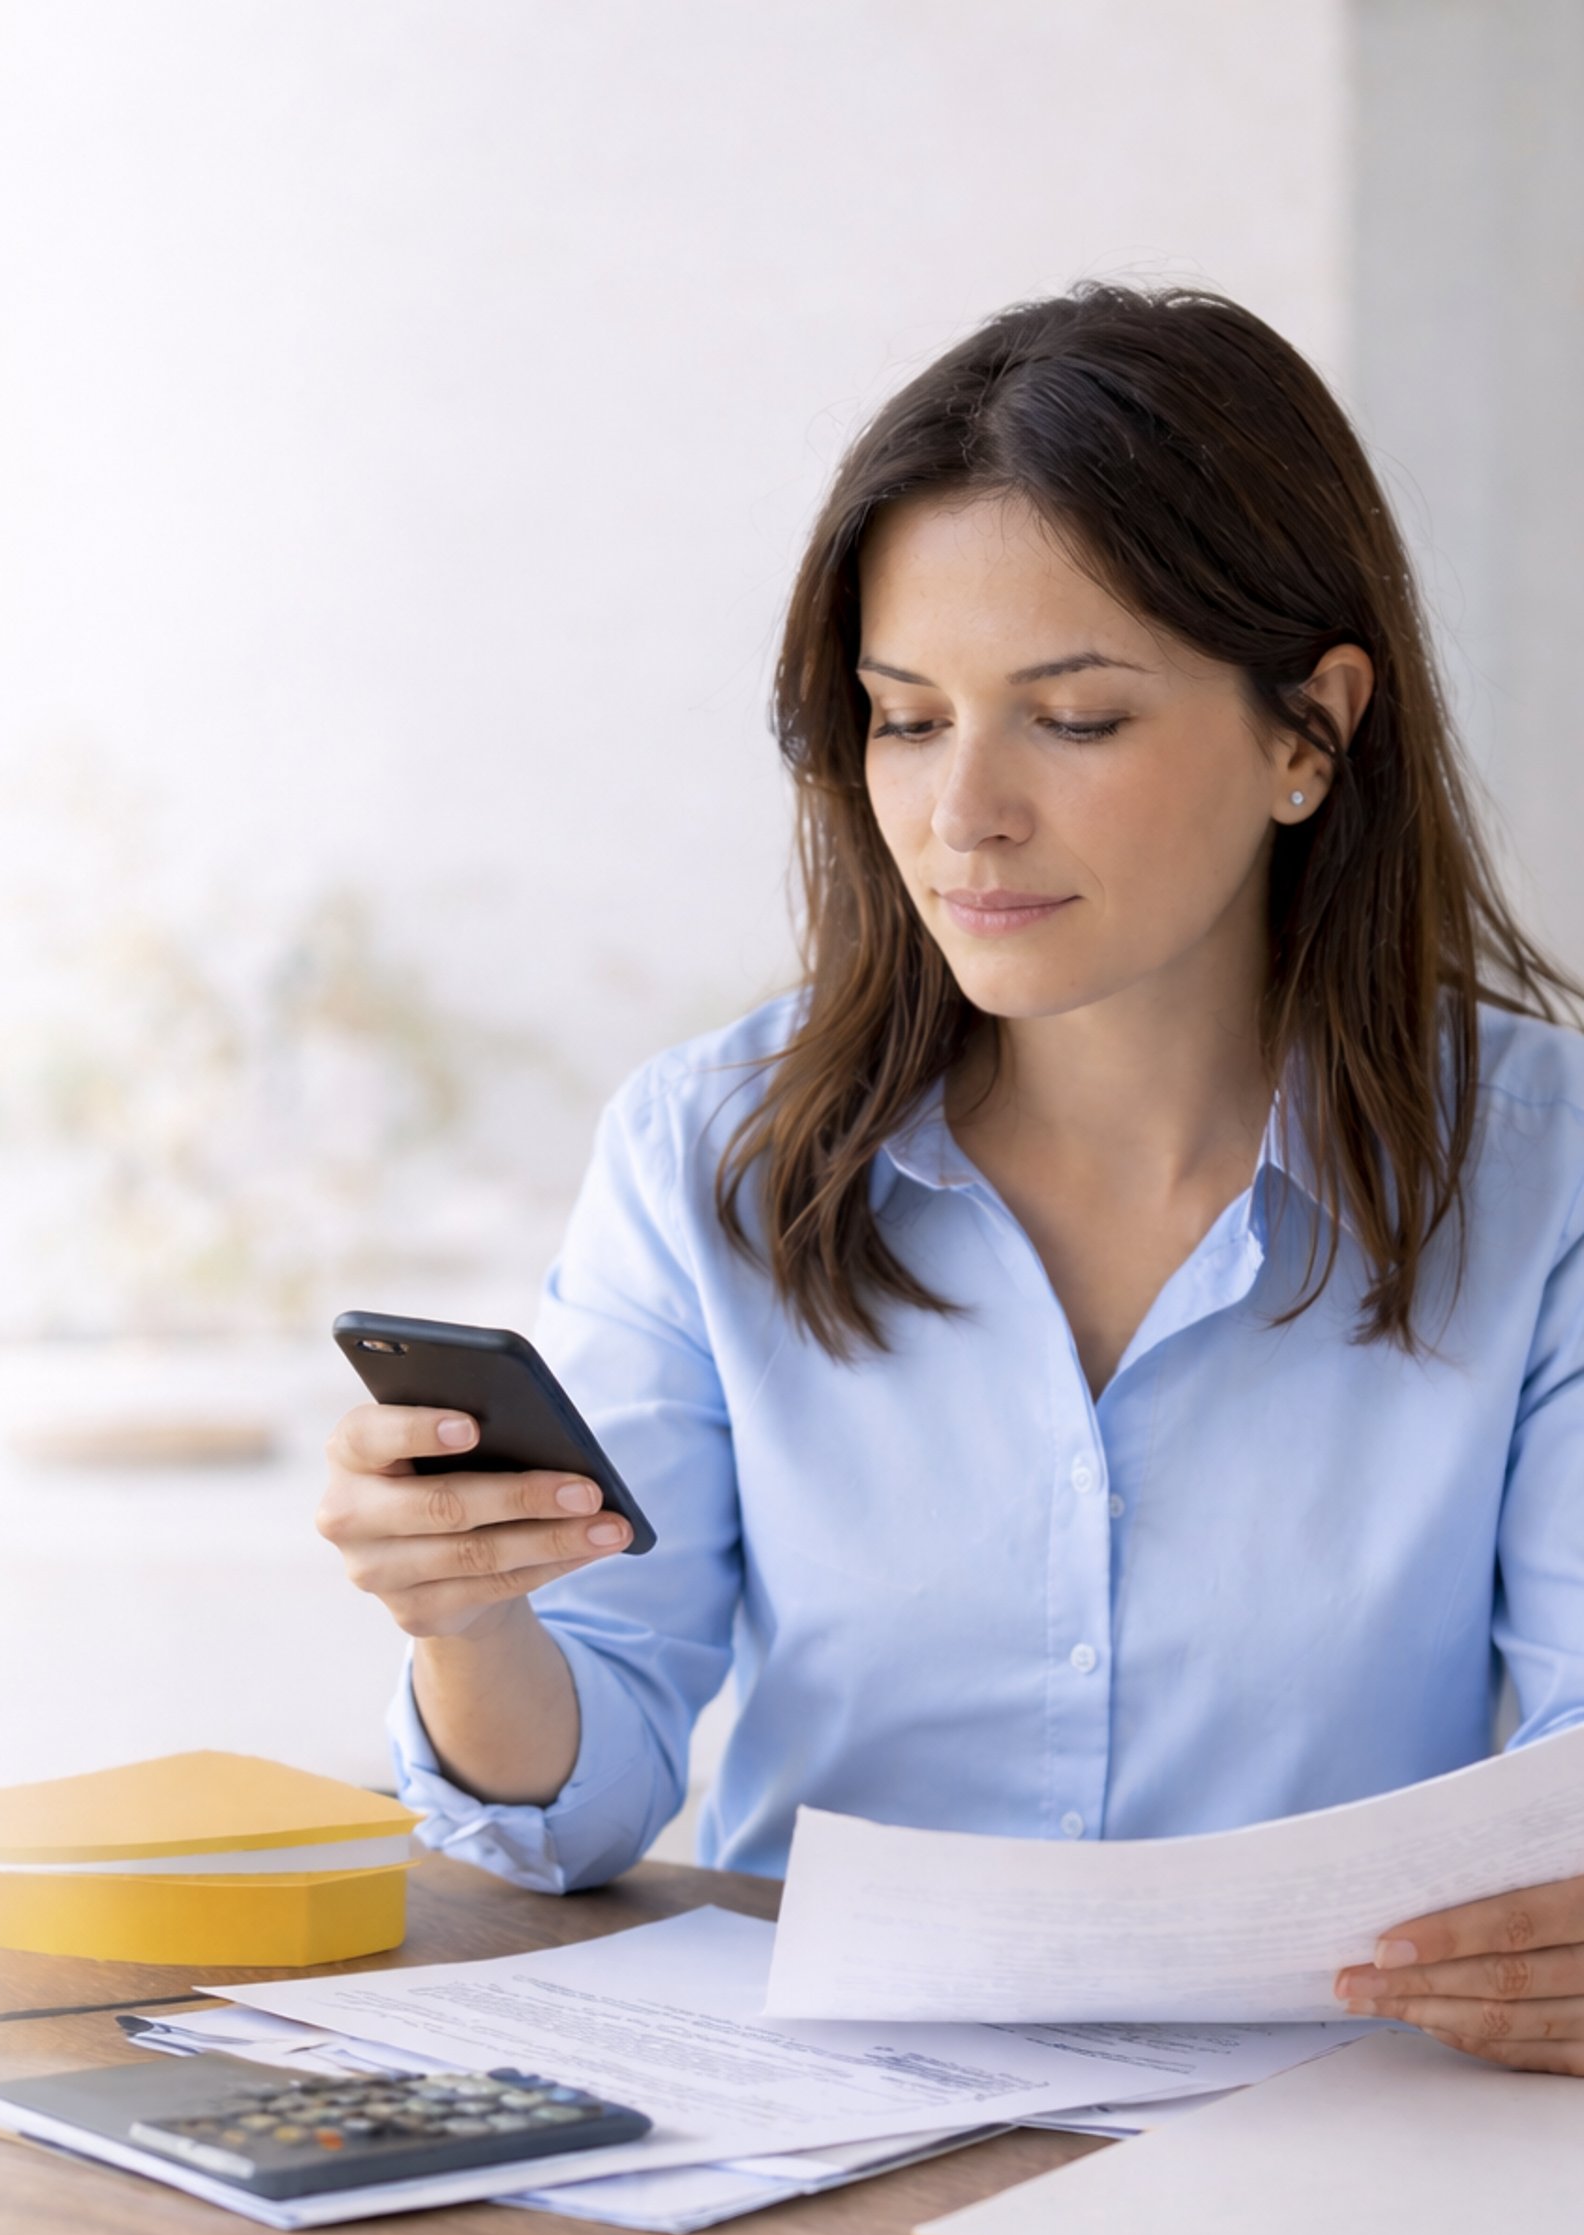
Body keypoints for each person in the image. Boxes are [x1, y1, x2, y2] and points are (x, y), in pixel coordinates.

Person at [317, 284, 1584, 2076]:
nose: (961, 812)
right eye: (906, 719)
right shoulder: (710, 1154)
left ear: (1311, 729)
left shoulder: (1546, 1179)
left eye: (1070, 719)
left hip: (1315, 2131)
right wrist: (470, 1612)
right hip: (804, 2138)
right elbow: (568, 1810)